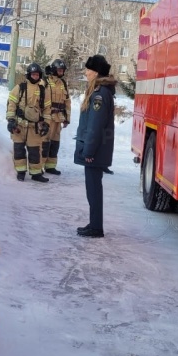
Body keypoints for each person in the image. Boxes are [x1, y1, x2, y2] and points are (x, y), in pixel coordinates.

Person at [74, 55, 116, 238]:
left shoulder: (99, 94)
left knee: (93, 189)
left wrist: (89, 151)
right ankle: (94, 224)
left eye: (88, 70)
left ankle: (96, 227)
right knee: (93, 188)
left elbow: (95, 126)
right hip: (96, 149)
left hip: (94, 150)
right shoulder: (99, 91)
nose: (86, 72)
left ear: (96, 72)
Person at [6, 62, 51, 182]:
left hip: (34, 127)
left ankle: (36, 173)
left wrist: (46, 123)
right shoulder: (19, 88)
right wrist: (11, 120)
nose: (35, 76)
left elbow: (47, 109)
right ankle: (20, 172)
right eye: (33, 74)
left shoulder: (43, 91)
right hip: (19, 126)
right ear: (28, 74)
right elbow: (11, 104)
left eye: (37, 75)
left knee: (35, 151)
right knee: (19, 150)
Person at [42, 59, 71, 175]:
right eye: (59, 69)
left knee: (55, 143)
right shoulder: (45, 82)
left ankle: (50, 166)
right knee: (44, 142)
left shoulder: (63, 83)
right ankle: (39, 166)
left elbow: (67, 102)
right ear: (54, 69)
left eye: (62, 70)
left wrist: (67, 118)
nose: (61, 72)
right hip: (47, 117)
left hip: (58, 118)